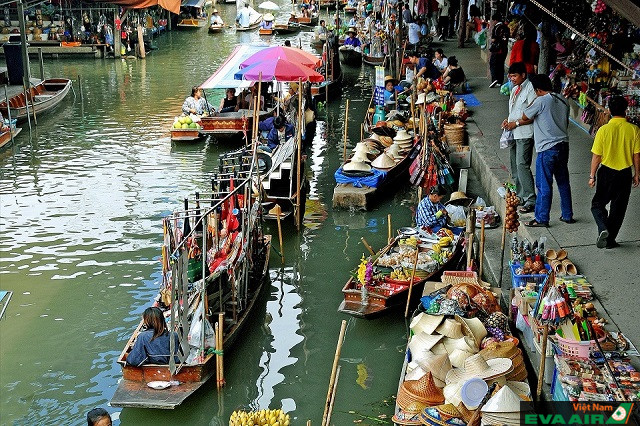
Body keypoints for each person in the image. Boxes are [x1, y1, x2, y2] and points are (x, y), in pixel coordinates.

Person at [520, 74, 573, 227]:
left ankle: (542, 218)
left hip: (547, 148)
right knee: (563, 182)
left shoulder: (541, 101)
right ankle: (567, 214)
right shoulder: (563, 100)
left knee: (544, 185)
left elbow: (525, 116)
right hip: (563, 145)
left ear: (538, 90)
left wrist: (535, 100)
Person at [589, 95, 640, 249]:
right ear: (626, 110)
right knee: (619, 209)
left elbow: (596, 156)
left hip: (606, 173)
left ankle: (603, 227)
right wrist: (637, 174)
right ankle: (610, 241)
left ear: (610, 110)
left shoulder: (603, 130)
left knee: (597, 204)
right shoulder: (634, 129)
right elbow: (636, 155)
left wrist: (592, 176)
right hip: (624, 174)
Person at [501, 62, 537, 213]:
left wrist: (515, 123)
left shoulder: (531, 90)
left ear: (523, 75)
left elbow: (532, 114)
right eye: (510, 76)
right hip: (514, 133)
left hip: (525, 133)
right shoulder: (515, 89)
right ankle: (521, 195)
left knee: (522, 165)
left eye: (514, 76)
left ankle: (531, 199)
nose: (512, 79)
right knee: (515, 165)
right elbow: (514, 110)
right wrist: (507, 120)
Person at [488, 13, 509, 87]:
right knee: (501, 65)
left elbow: (493, 39)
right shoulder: (506, 27)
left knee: (493, 64)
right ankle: (500, 80)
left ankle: (494, 79)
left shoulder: (496, 28)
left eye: (493, 20)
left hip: (497, 50)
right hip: (504, 49)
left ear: (495, 20)